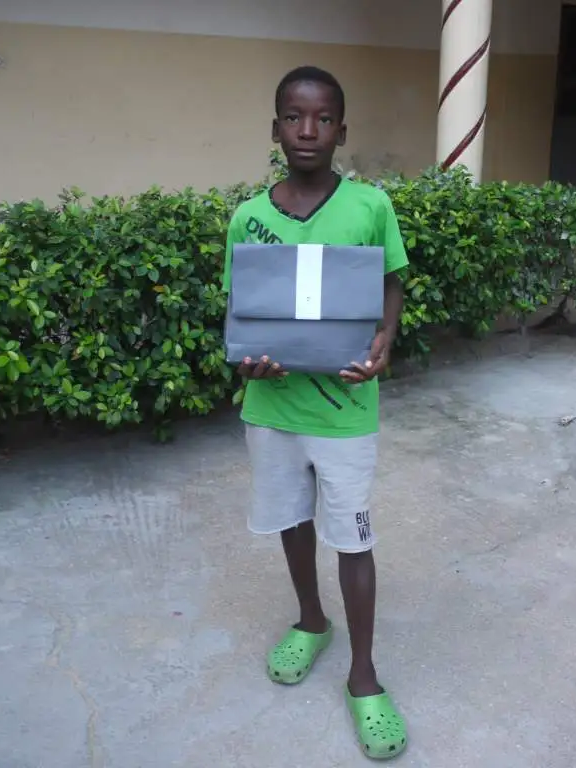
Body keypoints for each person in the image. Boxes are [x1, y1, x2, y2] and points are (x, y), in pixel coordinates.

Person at [221, 66, 409, 760]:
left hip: (344, 410)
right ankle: (310, 620)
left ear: (342, 130)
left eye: (323, 118)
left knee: (353, 538)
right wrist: (246, 361)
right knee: (292, 521)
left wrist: (386, 339)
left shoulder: (369, 206)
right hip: (272, 408)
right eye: (294, 117)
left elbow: (391, 282)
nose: (308, 130)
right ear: (274, 128)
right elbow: (242, 310)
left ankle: (364, 676)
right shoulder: (249, 217)